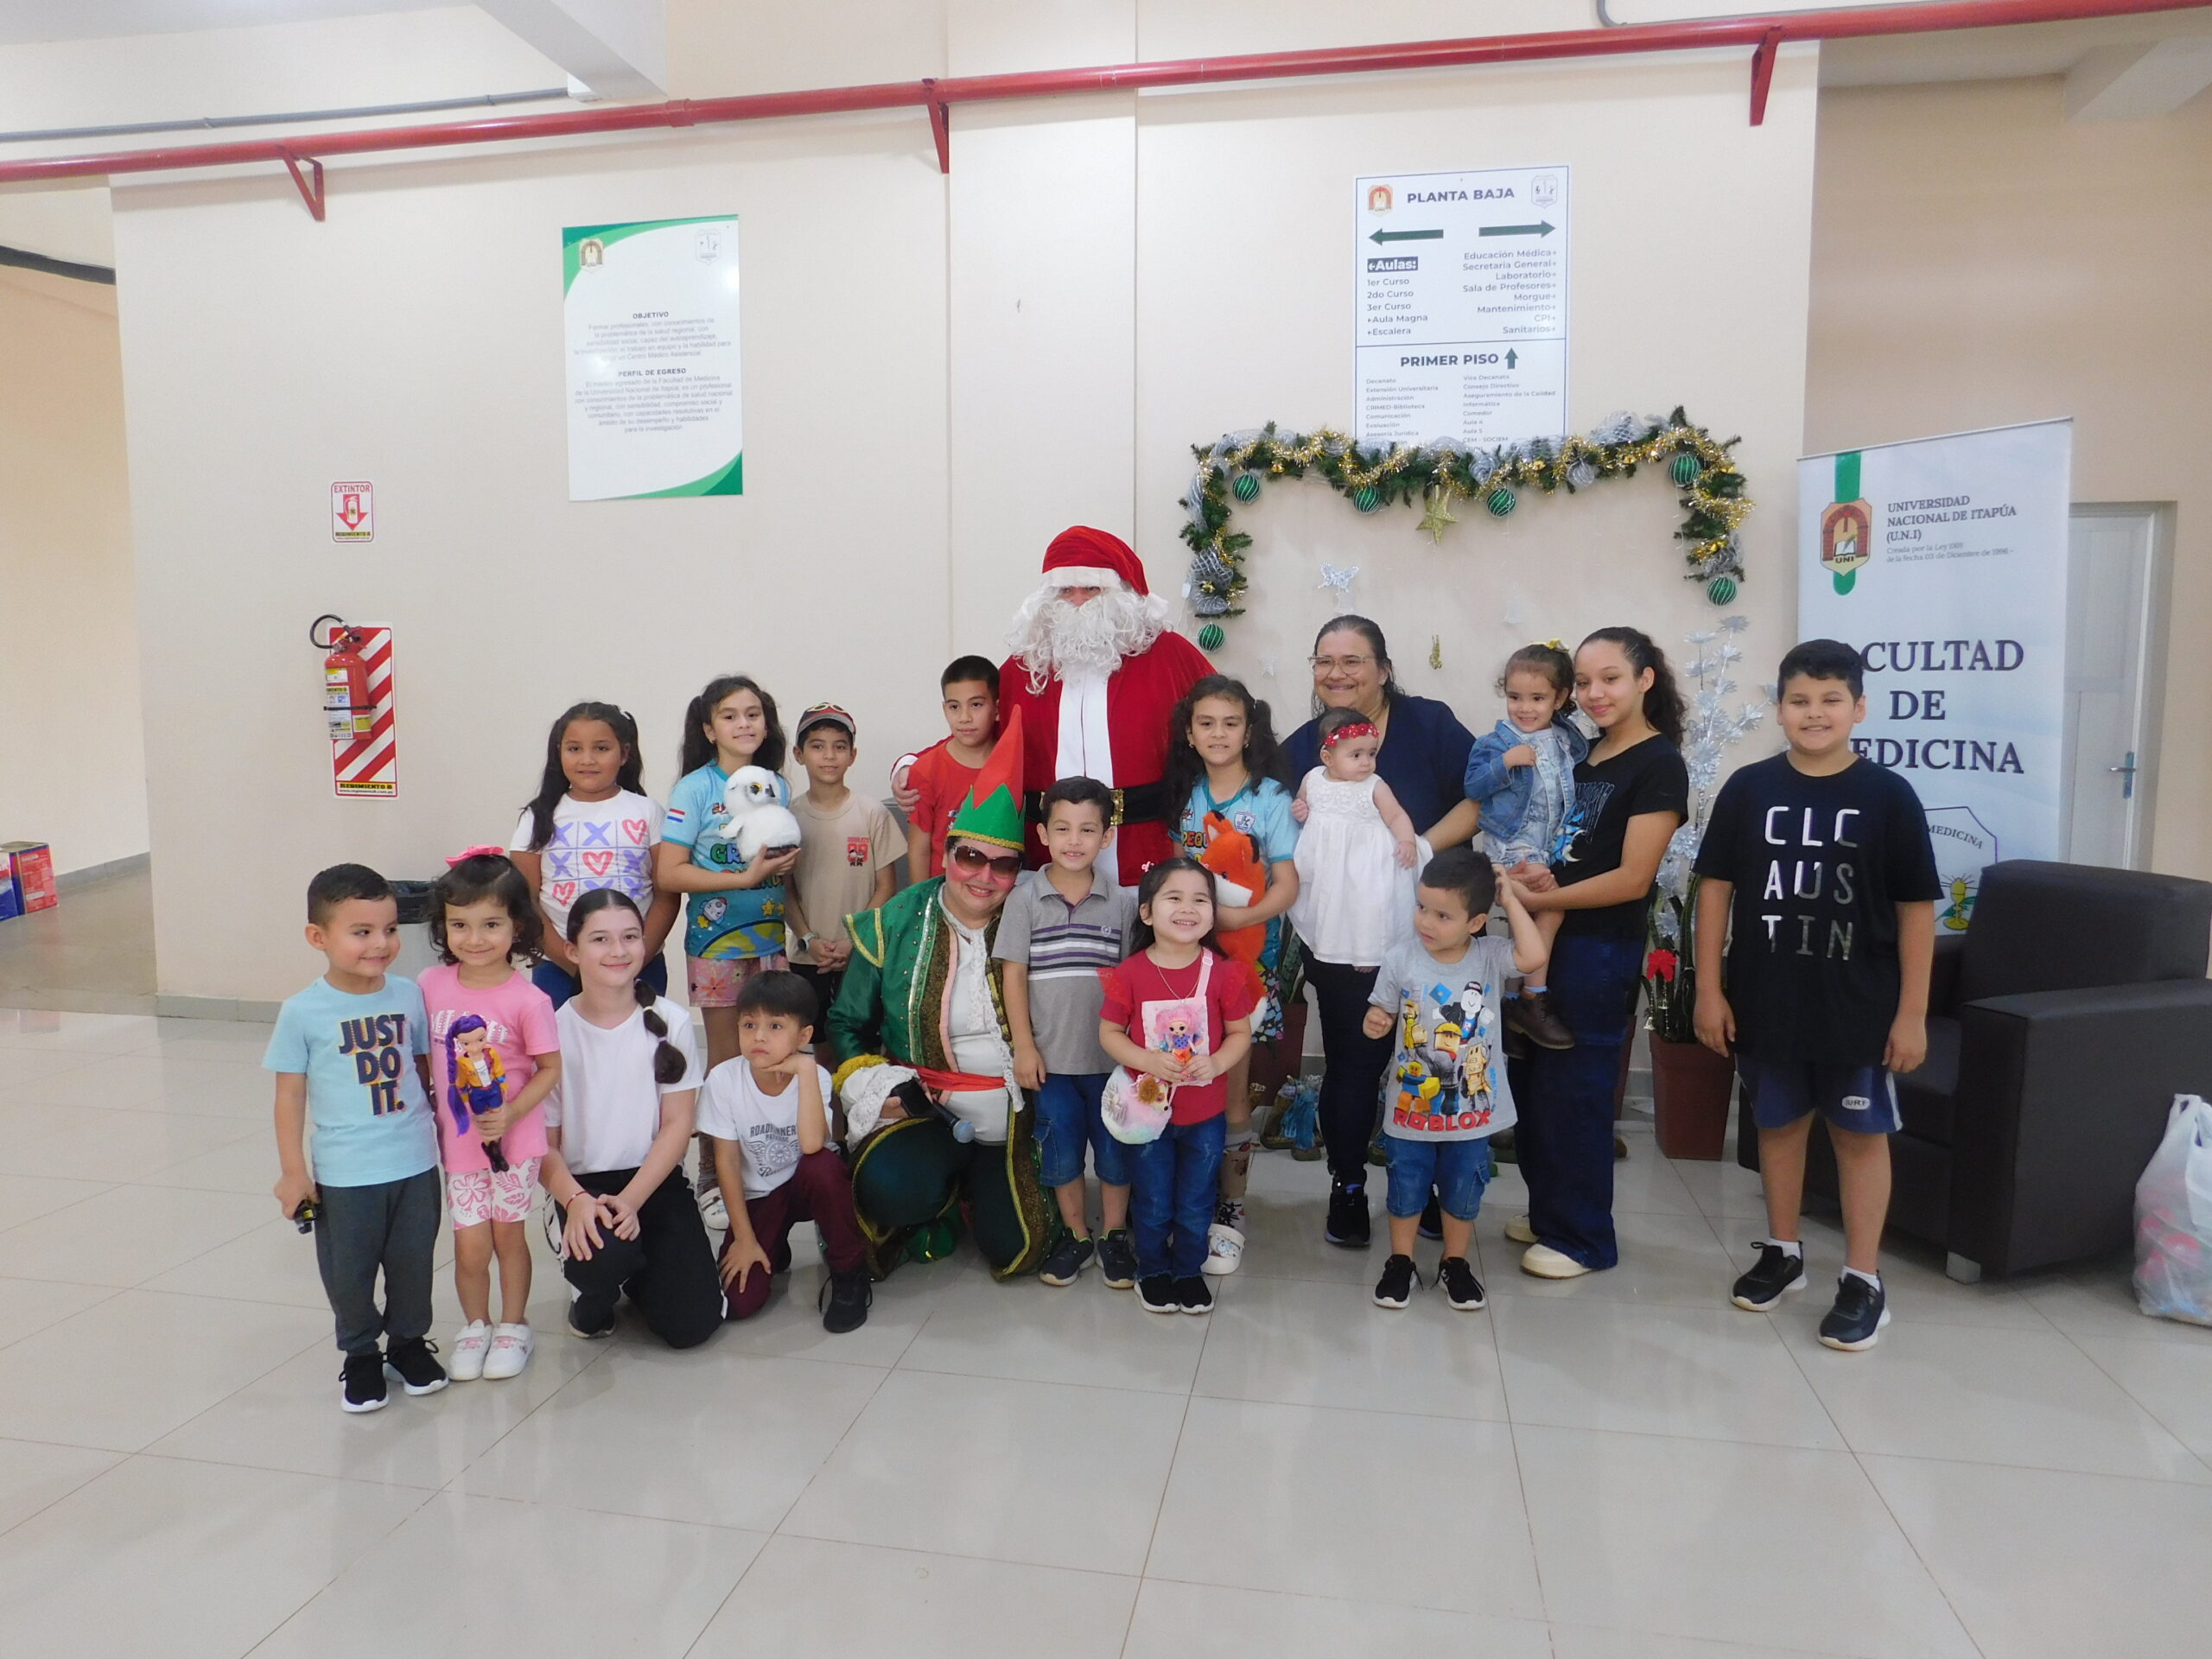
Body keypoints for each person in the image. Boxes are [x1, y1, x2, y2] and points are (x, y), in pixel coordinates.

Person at [1693, 639, 1937, 1351]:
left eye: (1832, 700)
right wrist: (1710, 990)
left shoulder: (1889, 796)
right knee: (1778, 1128)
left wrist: (1913, 1013)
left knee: (1860, 1141)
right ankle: (1784, 1251)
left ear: (1859, 708)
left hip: (1858, 1006)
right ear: (1779, 709)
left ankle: (1864, 1279)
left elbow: (1917, 908)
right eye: (1800, 700)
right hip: (1768, 1000)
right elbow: (1714, 890)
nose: (1815, 712)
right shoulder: (1749, 789)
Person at [830, 704, 1054, 1280]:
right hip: (927, 1108)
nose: (984, 876)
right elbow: (845, 1025)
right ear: (948, 851)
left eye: (1003, 865)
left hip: (1012, 1117)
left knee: (1023, 1250)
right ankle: (933, 1197)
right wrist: (876, 1087)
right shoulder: (894, 921)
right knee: (890, 1188)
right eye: (970, 857)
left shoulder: (1035, 918)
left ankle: (976, 1192)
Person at [1282, 616, 1480, 1248]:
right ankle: (1346, 1188)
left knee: (1429, 1059)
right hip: (1341, 939)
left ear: (1385, 670)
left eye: (1353, 660)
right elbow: (1279, 828)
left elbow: (1480, 798)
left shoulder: (1430, 725)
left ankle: (1420, 1188)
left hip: (1430, 930)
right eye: (1324, 661)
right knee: (1353, 1063)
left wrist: (1418, 849)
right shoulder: (1303, 748)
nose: (1336, 673)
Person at [1508, 627, 1689, 1279]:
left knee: (1577, 1094)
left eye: (1609, 678)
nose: (1594, 693)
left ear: (1645, 679)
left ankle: (1584, 1237)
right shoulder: (1584, 756)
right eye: (1583, 682)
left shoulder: (1658, 763)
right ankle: (1548, 1208)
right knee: (1534, 1086)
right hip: (1546, 944)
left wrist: (1542, 903)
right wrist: (1532, 885)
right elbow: (1565, 850)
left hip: (1599, 951)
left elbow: (1632, 878)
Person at [265, 863, 447, 1414]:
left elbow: (423, 1069)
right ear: (318, 938)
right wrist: (293, 1170)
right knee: (350, 1272)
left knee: (414, 1264)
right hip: (345, 1173)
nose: (381, 944)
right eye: (362, 932)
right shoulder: (302, 1012)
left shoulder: (409, 995)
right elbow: (289, 1096)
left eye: (390, 929)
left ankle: (409, 1343)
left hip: (415, 1162)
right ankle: (361, 1353)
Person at [1363, 848, 1545, 1313]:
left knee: (1465, 1186)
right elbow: (1380, 1007)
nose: (1426, 922)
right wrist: (1377, 1021)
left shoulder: (1489, 957)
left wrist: (1508, 894)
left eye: (1443, 914)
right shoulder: (1401, 957)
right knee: (1406, 1184)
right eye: (1422, 907)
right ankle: (1400, 1261)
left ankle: (1455, 1262)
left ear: (1476, 921)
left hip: (1473, 1109)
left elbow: (1533, 954)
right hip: (1412, 1105)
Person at [539, 887, 722, 1347]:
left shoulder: (672, 1020)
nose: (618, 951)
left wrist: (634, 1200)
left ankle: (642, 1270)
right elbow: (544, 1145)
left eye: (630, 937)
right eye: (600, 939)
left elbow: (679, 1124)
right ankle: (593, 1299)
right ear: (572, 950)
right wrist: (577, 1201)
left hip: (652, 1180)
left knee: (692, 1327)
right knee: (604, 1255)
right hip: (583, 1187)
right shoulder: (551, 1030)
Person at [1166, 675, 1300, 1274]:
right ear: (1190, 734)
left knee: (1232, 1090)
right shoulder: (1185, 796)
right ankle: (1186, 1200)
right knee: (1187, 1079)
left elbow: (1288, 884)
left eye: (1230, 723)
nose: (1218, 734)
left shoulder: (1271, 796)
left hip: (1246, 966)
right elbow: (1174, 879)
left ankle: (1233, 1208)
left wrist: (1238, 916)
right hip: (1187, 965)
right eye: (1206, 724)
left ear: (1249, 729)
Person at [654, 673, 797, 1232]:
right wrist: (744, 878)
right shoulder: (694, 789)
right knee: (725, 1065)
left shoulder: (776, 786)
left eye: (754, 713)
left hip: (771, 944)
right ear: (709, 727)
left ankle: (764, 1170)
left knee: (771, 1062)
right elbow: (669, 871)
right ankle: (713, 1175)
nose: (745, 724)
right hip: (715, 946)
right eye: (732, 715)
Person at [995, 525, 1213, 885]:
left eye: (1092, 589)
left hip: (1147, 847)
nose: (1078, 600)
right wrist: (910, 768)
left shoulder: (1170, 655)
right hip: (1047, 855)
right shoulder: (1026, 665)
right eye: (1065, 590)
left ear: (1121, 593)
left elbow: (1228, 724)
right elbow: (974, 728)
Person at [420, 850, 562, 1382]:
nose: (474, 938)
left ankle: (513, 1325)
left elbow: (550, 1069)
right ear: (444, 926)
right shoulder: (431, 985)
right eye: (460, 925)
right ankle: (475, 1325)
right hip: (458, 1145)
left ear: (517, 927)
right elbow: (422, 1059)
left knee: (508, 1237)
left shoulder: (529, 998)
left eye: (490, 925)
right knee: (469, 1242)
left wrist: (512, 1113)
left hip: (515, 1145)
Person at [996, 776, 1139, 1289]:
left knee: (1116, 1149)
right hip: (1050, 1062)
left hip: (1111, 1062)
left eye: (1087, 829)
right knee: (1060, 1151)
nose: (1074, 840)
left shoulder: (1123, 904)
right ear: (1042, 833)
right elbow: (1013, 974)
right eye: (1062, 828)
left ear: (1107, 836)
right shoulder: (1024, 898)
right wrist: (1025, 1047)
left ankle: (1116, 1234)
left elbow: (1131, 983)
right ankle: (1077, 1234)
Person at [1098, 856, 1257, 1314]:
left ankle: (1188, 1270)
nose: (1188, 909)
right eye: (1174, 897)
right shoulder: (1130, 973)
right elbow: (1108, 1034)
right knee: (1151, 1199)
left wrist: (1218, 1062)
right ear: (1146, 912)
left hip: (1204, 1115)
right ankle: (1153, 1271)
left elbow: (1240, 1032)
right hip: (1147, 1115)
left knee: (1194, 1199)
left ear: (1212, 913)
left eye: (1200, 900)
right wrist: (1147, 1059)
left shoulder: (1223, 972)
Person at [698, 970, 873, 1332]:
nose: (759, 1036)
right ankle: (771, 1244)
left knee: (823, 1166)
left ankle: (849, 1273)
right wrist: (744, 1239)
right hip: (758, 1198)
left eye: (775, 1026)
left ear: (804, 1035)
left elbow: (811, 1145)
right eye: (748, 1025)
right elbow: (726, 1163)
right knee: (739, 1303)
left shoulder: (815, 1076)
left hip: (804, 1187)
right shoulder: (723, 1080)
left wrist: (806, 1070)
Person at [509, 702, 677, 1008]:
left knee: (641, 1050)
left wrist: (637, 958)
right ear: (559, 753)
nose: (587, 760)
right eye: (574, 749)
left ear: (624, 754)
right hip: (559, 967)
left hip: (640, 965)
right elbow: (526, 900)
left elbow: (666, 894)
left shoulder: (648, 812)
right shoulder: (538, 817)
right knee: (566, 1054)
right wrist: (573, 962)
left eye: (601, 748)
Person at [1462, 642, 1585, 1051]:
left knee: (1534, 919)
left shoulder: (1568, 739)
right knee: (1550, 908)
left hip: (1551, 845)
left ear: (1561, 698)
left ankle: (1512, 1000)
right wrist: (1506, 762)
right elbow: (1474, 788)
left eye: (1537, 698)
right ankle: (1534, 997)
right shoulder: (1497, 743)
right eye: (1515, 697)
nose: (1524, 708)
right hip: (1513, 845)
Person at [781, 702, 901, 1058]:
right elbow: (786, 890)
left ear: (853, 755)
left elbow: (886, 887)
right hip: (809, 957)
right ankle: (828, 1116)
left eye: (839, 746)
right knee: (818, 1051)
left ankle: (862, 1115)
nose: (829, 756)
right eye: (817, 746)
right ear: (799, 754)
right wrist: (808, 939)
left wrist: (856, 940)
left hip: (862, 955)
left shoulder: (871, 813)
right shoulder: (788, 818)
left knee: (865, 1047)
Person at [901, 657, 1001, 880]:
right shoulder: (926, 771)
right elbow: (919, 850)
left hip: (1000, 892)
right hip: (943, 894)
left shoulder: (1011, 762)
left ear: (997, 708)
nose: (964, 717)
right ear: (945, 709)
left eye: (976, 705)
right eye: (955, 707)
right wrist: (921, 905)